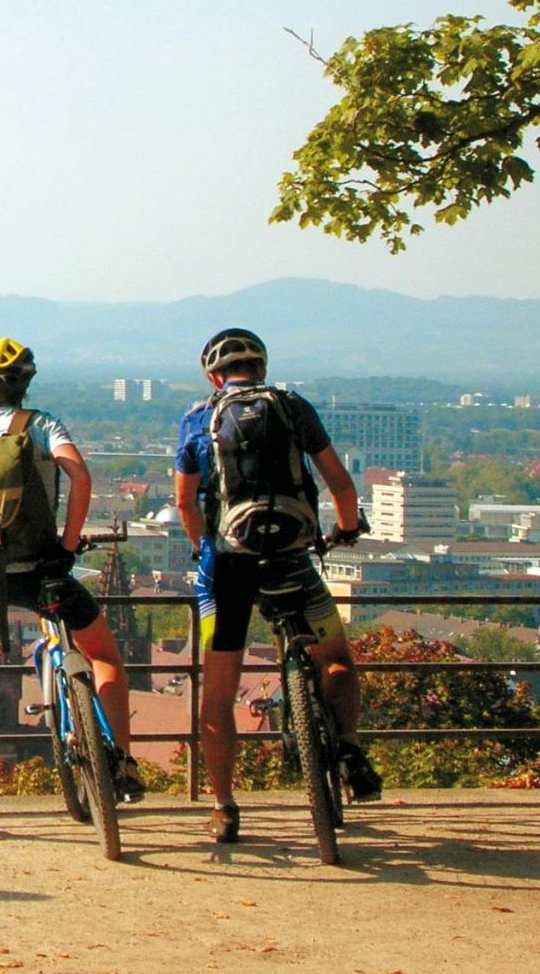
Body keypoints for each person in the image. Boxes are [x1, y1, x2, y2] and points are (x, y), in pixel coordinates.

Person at [174, 328, 381, 845]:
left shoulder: (199, 418)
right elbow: (339, 483)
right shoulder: (292, 408)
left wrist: (205, 550)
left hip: (226, 572)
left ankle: (223, 808)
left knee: (219, 692)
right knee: (336, 659)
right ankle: (349, 745)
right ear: (261, 370)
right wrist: (347, 528)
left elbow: (184, 502)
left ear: (213, 376)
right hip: (290, 559)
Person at [0, 336, 144, 836]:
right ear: (26, 382)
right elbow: (80, 475)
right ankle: (120, 761)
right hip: (41, 569)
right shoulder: (43, 425)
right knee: (104, 657)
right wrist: (68, 542)